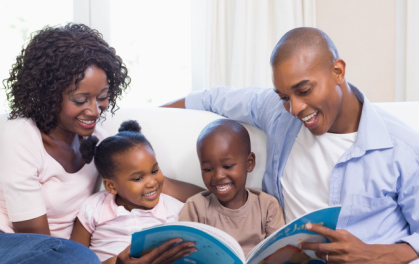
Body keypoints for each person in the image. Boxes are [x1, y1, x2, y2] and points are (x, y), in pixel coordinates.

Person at [164, 27, 419, 263]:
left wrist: (373, 254)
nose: (294, 108)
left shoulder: (401, 147)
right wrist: (129, 123)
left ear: (338, 72)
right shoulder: (278, 112)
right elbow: (212, 98)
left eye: (305, 90)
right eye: (285, 97)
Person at [0, 23, 199, 264]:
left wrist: (226, 198)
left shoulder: (100, 141)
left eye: (103, 96)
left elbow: (161, 184)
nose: (94, 110)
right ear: (50, 94)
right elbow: (38, 241)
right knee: (73, 255)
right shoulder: (21, 136)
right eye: (80, 99)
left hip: (62, 254)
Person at [71, 120, 196, 263]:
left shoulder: (174, 210)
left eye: (155, 170)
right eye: (138, 178)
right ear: (111, 186)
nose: (152, 182)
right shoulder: (94, 207)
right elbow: (74, 258)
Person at [179, 118, 285, 256]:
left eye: (228, 166)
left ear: (249, 163)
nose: (218, 176)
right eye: (208, 169)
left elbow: (280, 253)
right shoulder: (195, 208)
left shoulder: (267, 206)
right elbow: (184, 255)